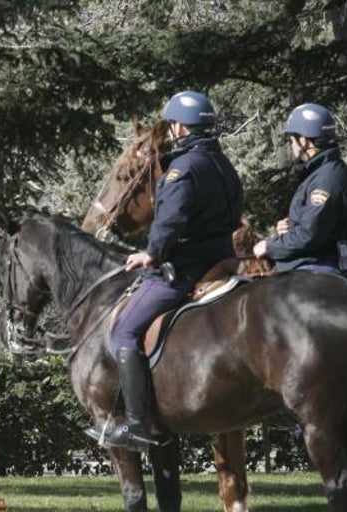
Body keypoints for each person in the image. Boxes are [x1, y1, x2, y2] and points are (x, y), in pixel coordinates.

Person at [87, 90, 244, 451]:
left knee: (125, 330)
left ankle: (139, 425)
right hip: (222, 262)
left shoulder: (182, 169)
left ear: (180, 128)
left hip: (187, 269)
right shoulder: (224, 165)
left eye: (173, 126)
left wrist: (151, 254)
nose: (171, 132)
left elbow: (169, 222)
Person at [253, 103, 347, 276]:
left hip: (321, 264)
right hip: (320, 259)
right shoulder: (323, 173)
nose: (291, 147)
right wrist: (291, 225)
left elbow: (309, 234)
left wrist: (270, 246)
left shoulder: (326, 179)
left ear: (304, 140)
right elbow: (317, 222)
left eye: (292, 141)